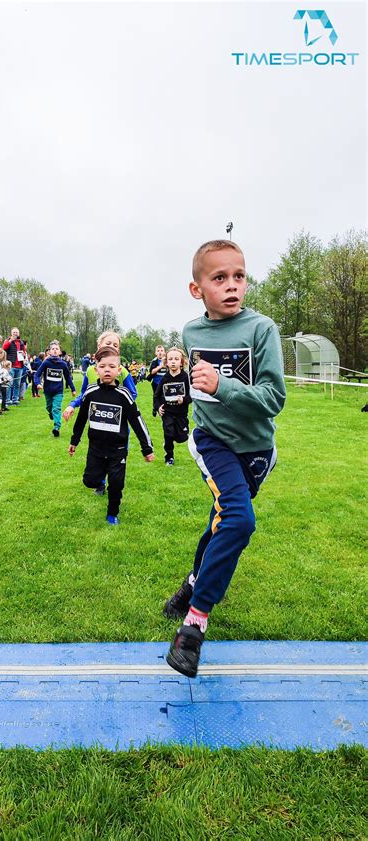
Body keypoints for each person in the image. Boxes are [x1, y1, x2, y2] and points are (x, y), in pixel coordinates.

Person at [165, 239, 286, 678]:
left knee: (222, 520)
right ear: (197, 289)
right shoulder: (192, 332)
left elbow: (274, 399)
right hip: (213, 442)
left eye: (239, 276)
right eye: (220, 278)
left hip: (255, 450)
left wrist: (223, 387)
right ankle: (192, 629)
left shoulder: (262, 329)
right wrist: (204, 395)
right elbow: (201, 390)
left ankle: (192, 584)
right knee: (239, 520)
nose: (232, 286)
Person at [69, 347, 155, 524]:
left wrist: (147, 448)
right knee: (90, 481)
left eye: (112, 366)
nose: (107, 369)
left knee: (116, 484)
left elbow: (137, 422)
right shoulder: (91, 393)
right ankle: (100, 479)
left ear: (118, 370)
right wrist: (74, 441)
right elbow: (81, 418)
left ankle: (112, 514)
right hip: (96, 449)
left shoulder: (124, 395)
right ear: (96, 369)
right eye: (102, 366)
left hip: (118, 450)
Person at [63, 331, 137, 423]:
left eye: (115, 345)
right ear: (99, 346)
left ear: (118, 351)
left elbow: (133, 394)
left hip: (119, 427)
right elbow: (84, 394)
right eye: (108, 343)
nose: (111, 347)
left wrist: (120, 407)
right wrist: (72, 405)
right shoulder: (90, 371)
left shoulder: (122, 371)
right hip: (97, 424)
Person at [155, 347, 192, 465]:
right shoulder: (165, 378)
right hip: (168, 412)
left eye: (176, 359)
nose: (173, 361)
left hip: (181, 413)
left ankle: (170, 440)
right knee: (169, 433)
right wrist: (158, 407)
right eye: (170, 359)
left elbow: (193, 395)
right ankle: (169, 456)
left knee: (182, 438)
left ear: (181, 362)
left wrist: (184, 399)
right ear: (166, 362)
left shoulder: (186, 377)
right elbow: (157, 396)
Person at [34, 341, 76, 436]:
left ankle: (57, 427)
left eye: (57, 349)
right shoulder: (46, 363)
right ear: (49, 352)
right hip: (48, 391)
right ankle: (51, 414)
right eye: (53, 349)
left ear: (60, 352)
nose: (55, 350)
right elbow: (37, 375)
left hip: (58, 391)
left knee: (56, 408)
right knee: (49, 408)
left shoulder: (63, 364)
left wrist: (73, 389)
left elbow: (68, 377)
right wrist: (38, 384)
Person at [3, 328, 26, 406]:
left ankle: (15, 399)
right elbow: (4, 348)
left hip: (20, 366)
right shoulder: (8, 341)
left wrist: (24, 354)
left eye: (16, 332)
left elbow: (24, 352)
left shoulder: (21, 343)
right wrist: (10, 340)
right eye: (14, 332)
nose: (15, 333)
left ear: (18, 334)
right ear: (11, 333)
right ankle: (7, 400)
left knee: (17, 384)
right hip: (11, 366)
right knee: (9, 383)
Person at [149, 345, 168, 415]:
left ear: (164, 352)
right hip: (156, 383)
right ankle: (155, 408)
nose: (160, 352)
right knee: (156, 396)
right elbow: (152, 372)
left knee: (165, 396)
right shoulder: (155, 361)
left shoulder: (167, 360)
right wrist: (160, 366)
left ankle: (164, 409)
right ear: (155, 353)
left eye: (161, 351)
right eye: (158, 351)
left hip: (165, 383)